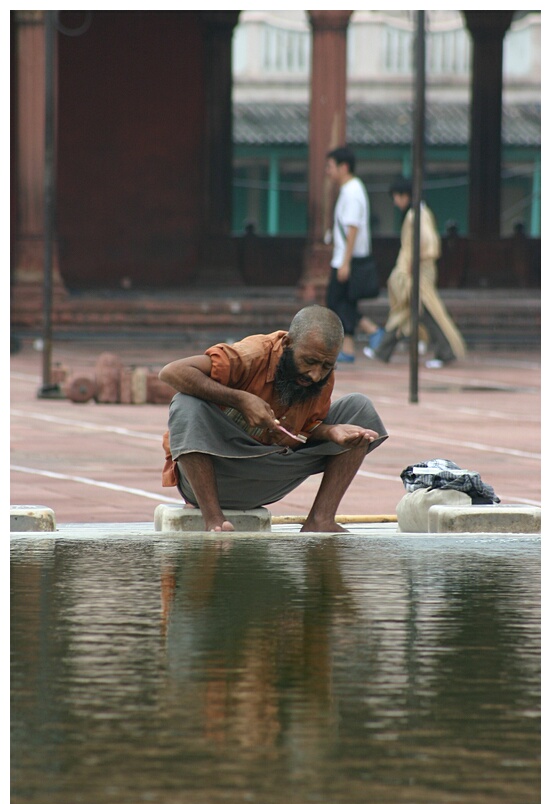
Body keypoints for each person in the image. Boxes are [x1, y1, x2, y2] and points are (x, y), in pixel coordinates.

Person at [159, 305, 388, 533]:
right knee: (186, 403)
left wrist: (330, 432)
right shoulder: (252, 353)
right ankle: (215, 521)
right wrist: (240, 400)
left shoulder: (320, 376)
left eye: (327, 366)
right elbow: (171, 372)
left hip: (272, 473)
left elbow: (301, 431)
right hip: (218, 477)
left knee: (360, 409)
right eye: (308, 361)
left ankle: (320, 520)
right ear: (287, 343)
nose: (315, 374)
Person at [364, 176, 466, 368]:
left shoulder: (415, 214)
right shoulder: (419, 212)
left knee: (425, 311)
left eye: (396, 196)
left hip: (418, 271)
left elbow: (426, 242)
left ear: (405, 195)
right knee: (408, 311)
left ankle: (445, 352)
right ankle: (382, 351)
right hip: (416, 270)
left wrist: (413, 262)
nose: (395, 201)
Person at [325, 146, 384, 364]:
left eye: (330, 166)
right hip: (345, 257)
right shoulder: (349, 189)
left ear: (344, 167)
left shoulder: (352, 191)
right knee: (343, 303)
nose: (328, 171)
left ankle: (371, 331)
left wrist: (345, 262)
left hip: (348, 258)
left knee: (336, 301)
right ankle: (355, 344)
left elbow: (352, 228)